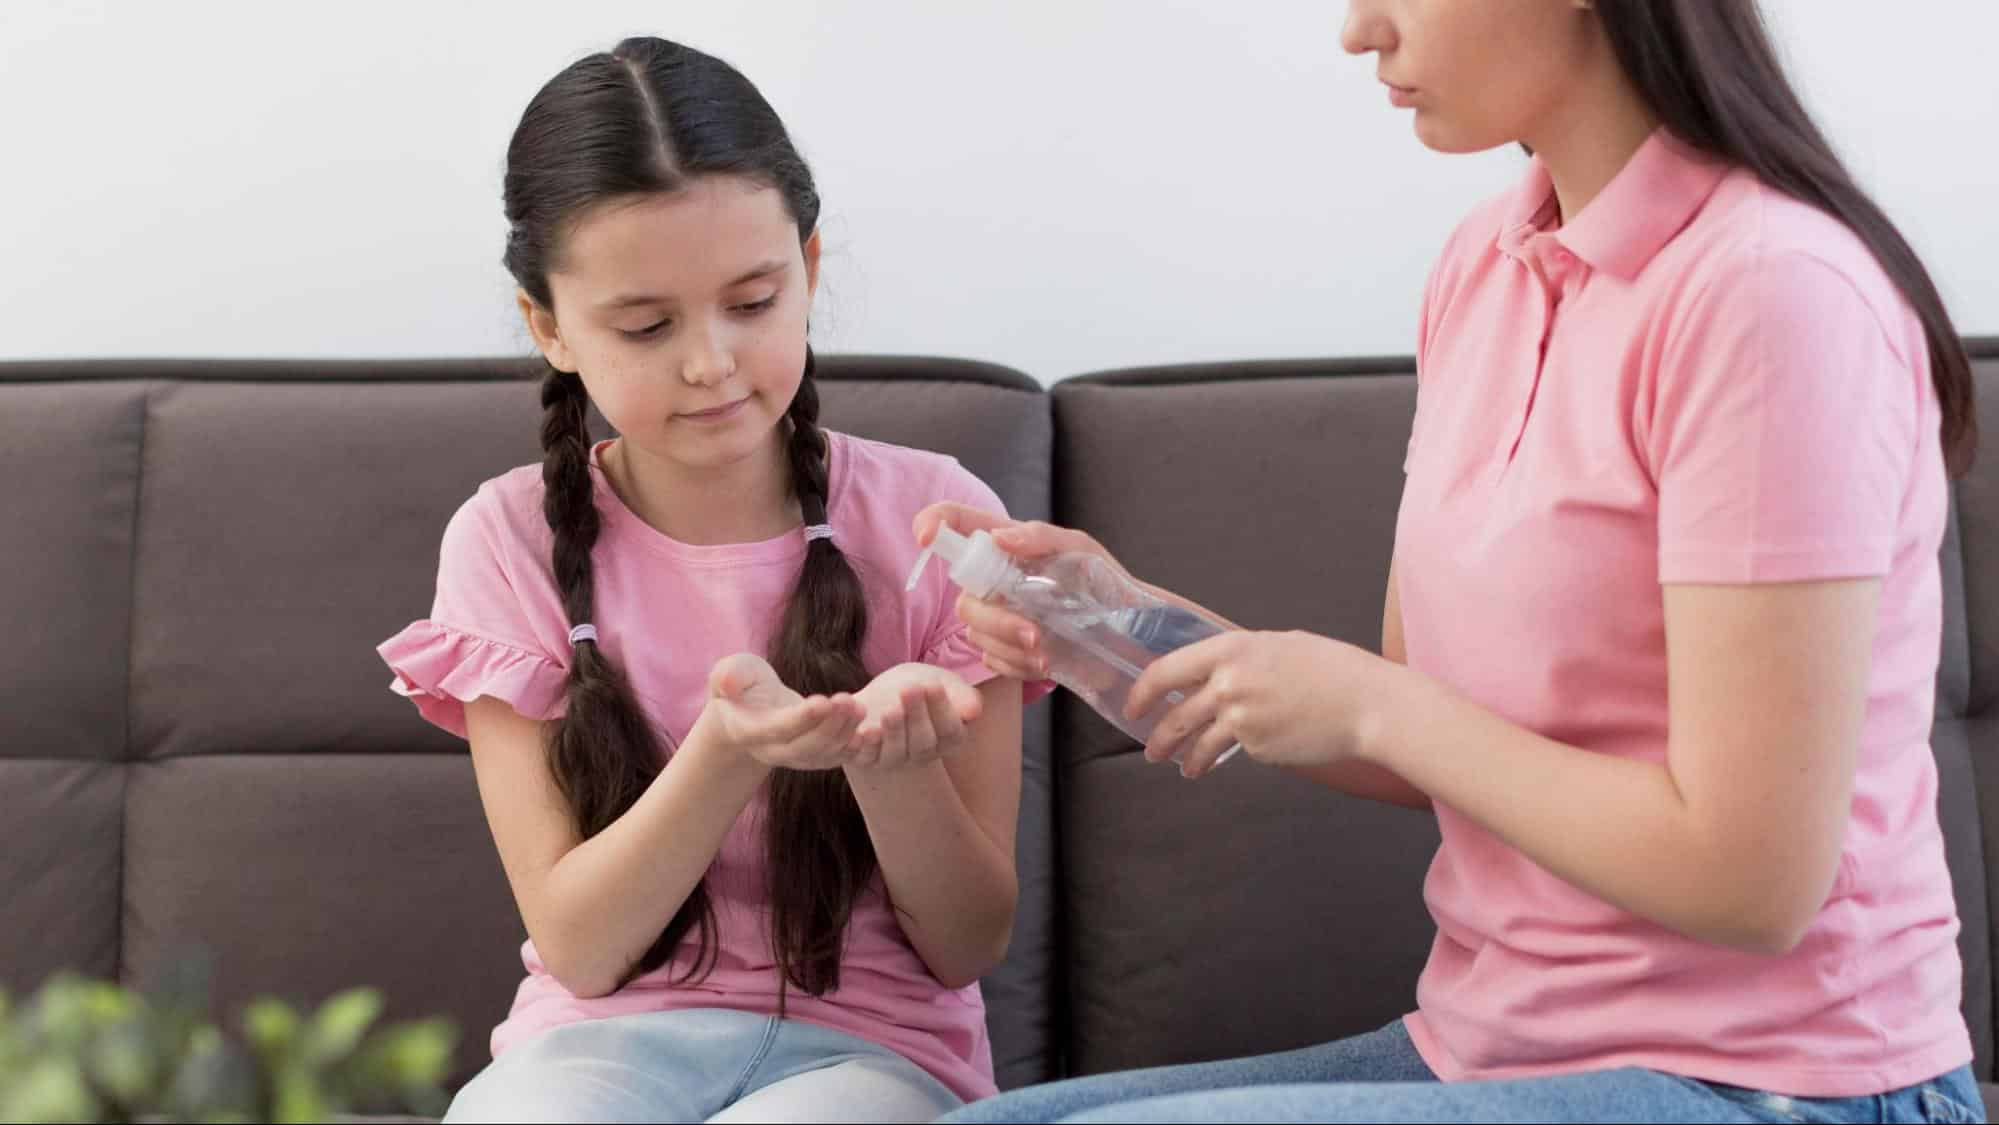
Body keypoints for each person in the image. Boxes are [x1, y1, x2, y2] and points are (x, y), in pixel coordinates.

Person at [930, 0, 1983, 1120]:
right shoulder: (1482, 265)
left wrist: (1380, 708)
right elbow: (1419, 728)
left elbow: (1754, 879)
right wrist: (1127, 620)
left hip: (1777, 1085)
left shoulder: (1772, 292)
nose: (1359, 30)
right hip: (1487, 1052)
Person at [377, 36, 1024, 1123]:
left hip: (873, 1057)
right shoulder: (505, 538)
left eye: (754, 300)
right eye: (645, 325)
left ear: (809, 269)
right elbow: (581, 951)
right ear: (549, 327)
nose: (711, 362)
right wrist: (727, 751)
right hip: (596, 1047)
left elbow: (966, 943)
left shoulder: (936, 522)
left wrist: (889, 765)